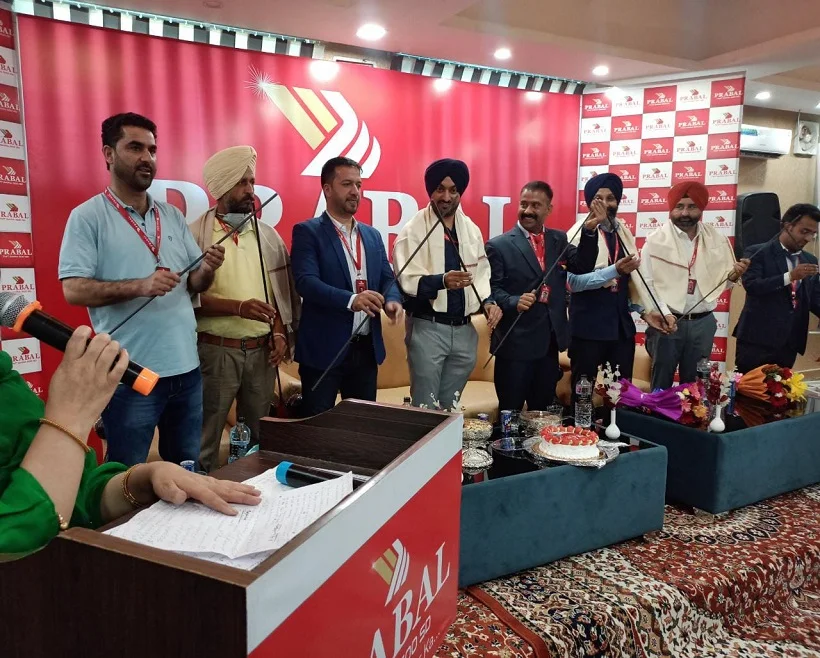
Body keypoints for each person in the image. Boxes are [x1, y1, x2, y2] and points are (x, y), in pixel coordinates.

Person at [0, 328, 261, 556]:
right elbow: (18, 541)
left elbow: (76, 495)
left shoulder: (7, 381)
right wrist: (69, 418)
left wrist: (143, 480)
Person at [58, 113, 225, 467]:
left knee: (185, 470)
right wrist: (142, 285)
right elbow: (73, 290)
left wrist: (207, 269)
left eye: (152, 149)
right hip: (128, 374)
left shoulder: (172, 216)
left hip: (187, 370)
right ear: (108, 154)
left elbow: (194, 283)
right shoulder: (87, 217)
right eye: (135, 147)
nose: (147, 157)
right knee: (126, 475)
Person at [189, 146, 301, 473]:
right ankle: (200, 497)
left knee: (257, 439)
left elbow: (279, 296)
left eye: (251, 181)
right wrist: (238, 308)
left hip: (261, 354)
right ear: (222, 187)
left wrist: (278, 333)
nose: (250, 190)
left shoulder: (267, 237)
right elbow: (186, 300)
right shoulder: (195, 235)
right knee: (205, 438)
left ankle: (251, 493)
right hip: (215, 352)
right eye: (241, 183)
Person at [290, 157, 403, 416]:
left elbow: (388, 278)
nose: (355, 191)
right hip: (324, 350)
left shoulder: (372, 235)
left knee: (361, 427)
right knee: (317, 427)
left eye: (358, 185)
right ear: (327, 189)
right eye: (347, 184)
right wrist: (352, 300)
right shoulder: (308, 232)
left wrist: (392, 301)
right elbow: (306, 282)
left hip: (365, 349)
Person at [393, 159, 501, 409]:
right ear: (430, 191)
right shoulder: (413, 230)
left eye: (453, 190)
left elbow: (482, 275)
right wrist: (441, 281)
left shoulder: (471, 229)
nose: (446, 197)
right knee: (425, 408)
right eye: (440, 189)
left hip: (465, 330)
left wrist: (489, 302)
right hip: (428, 328)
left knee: (449, 408)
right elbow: (406, 280)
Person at [486, 180, 601, 411]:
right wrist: (514, 301)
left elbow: (582, 265)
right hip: (515, 345)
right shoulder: (498, 245)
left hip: (549, 345)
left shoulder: (558, 239)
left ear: (549, 209)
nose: (528, 210)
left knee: (542, 414)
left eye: (536, 205)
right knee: (510, 414)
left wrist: (589, 231)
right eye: (524, 204)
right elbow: (492, 289)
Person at [640, 181, 748, 390]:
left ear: (701, 208)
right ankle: (657, 413)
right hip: (666, 322)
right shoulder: (654, 241)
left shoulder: (717, 239)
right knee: (661, 383)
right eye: (679, 207)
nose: (685, 213)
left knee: (696, 388)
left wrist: (735, 275)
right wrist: (664, 314)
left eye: (691, 206)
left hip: (703, 323)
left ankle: (691, 414)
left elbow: (721, 284)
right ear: (671, 209)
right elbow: (647, 284)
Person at [566, 173, 646, 395]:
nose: (605, 204)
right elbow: (573, 283)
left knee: (621, 396)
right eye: (598, 198)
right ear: (589, 202)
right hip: (587, 329)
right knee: (582, 395)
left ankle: (616, 420)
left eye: (610, 198)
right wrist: (614, 271)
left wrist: (647, 312)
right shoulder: (576, 234)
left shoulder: (624, 233)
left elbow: (632, 283)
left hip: (620, 330)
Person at [734, 203, 820, 372]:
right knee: (749, 387)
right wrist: (790, 276)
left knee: (783, 388)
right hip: (757, 340)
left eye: (813, 233)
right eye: (804, 231)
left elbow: (815, 298)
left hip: (790, 342)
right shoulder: (758, 252)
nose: (808, 239)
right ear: (788, 226)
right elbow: (753, 286)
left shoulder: (810, 260)